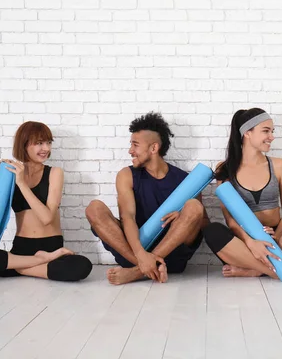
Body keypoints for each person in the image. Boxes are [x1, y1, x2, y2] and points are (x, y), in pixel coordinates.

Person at [0, 121, 93, 281]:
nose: (46, 149)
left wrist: (21, 183)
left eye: (48, 143)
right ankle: (39, 261)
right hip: (21, 249)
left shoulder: (55, 173)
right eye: (39, 143)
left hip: (51, 246)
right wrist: (0, 180)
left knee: (82, 266)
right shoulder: (11, 173)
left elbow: (47, 218)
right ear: (24, 145)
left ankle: (18, 268)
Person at [86, 112, 208, 285]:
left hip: (173, 254)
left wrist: (182, 216)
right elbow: (127, 217)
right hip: (135, 251)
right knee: (94, 207)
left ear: (153, 148)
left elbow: (203, 225)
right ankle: (147, 266)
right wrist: (142, 256)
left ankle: (136, 272)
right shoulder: (126, 175)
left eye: (135, 145)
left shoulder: (186, 181)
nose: (130, 151)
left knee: (194, 207)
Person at [203, 108, 282, 280]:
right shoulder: (225, 169)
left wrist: (275, 238)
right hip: (245, 242)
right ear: (247, 133)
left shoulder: (280, 166)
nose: (272, 137)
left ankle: (253, 270)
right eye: (266, 131)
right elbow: (230, 219)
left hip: (279, 240)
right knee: (212, 230)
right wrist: (251, 242)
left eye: (272, 131)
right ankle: (281, 270)